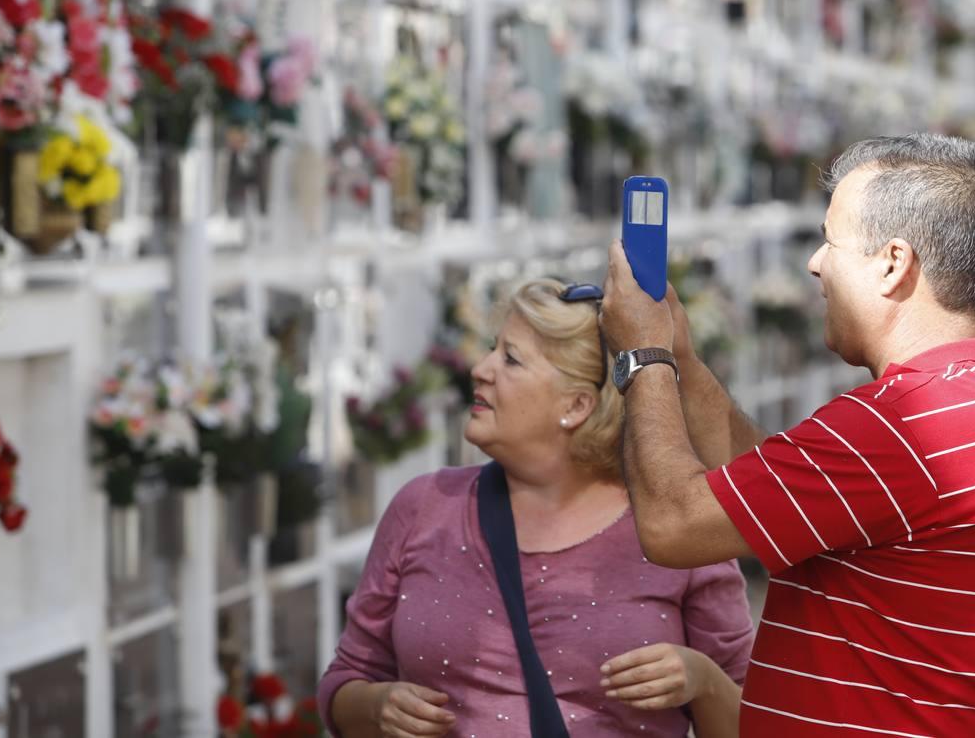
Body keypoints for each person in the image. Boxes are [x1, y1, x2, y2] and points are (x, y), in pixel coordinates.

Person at [602, 135, 975, 737]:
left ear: (893, 263)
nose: (815, 263)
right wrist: (685, 363)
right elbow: (779, 498)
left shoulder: (904, 422)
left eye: (831, 241)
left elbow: (673, 525)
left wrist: (643, 357)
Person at [318, 279, 753, 737]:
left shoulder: (674, 528)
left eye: (510, 359)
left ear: (577, 405)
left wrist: (701, 681)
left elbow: (752, 723)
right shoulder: (424, 507)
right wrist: (375, 705)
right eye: (491, 349)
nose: (480, 369)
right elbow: (346, 680)